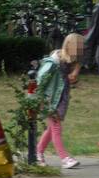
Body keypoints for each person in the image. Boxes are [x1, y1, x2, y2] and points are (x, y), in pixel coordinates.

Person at [35, 33, 85, 169]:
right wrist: (41, 100)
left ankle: (37, 153)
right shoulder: (54, 62)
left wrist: (75, 78)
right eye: (78, 47)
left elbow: (64, 81)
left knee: (52, 129)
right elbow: (40, 79)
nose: (81, 50)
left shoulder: (70, 61)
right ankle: (65, 158)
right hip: (49, 99)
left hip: (61, 99)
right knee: (56, 127)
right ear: (70, 46)